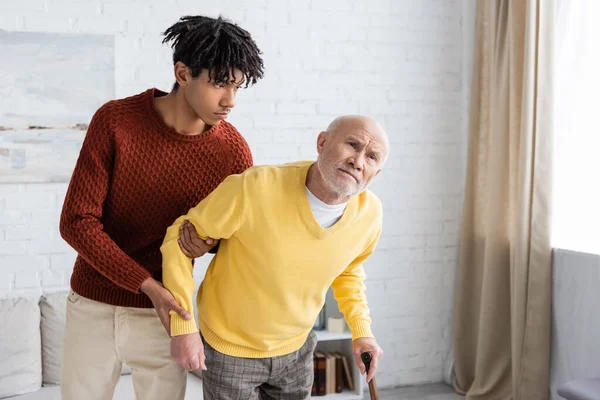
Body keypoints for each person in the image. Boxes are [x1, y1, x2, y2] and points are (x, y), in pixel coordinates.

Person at [58, 15, 264, 400]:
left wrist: (210, 245)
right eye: (219, 83)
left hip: (169, 315)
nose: (230, 101)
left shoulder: (232, 152)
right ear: (183, 73)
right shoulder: (115, 122)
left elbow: (237, 238)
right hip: (93, 304)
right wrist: (148, 286)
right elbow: (76, 222)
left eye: (237, 86)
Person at [160, 115, 388, 399]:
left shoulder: (370, 215)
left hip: (297, 350)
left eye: (372, 156)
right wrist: (183, 327)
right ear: (322, 142)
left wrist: (361, 331)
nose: (358, 161)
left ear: (375, 173)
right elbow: (176, 242)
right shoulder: (255, 187)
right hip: (230, 348)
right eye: (352, 144)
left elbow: (349, 271)